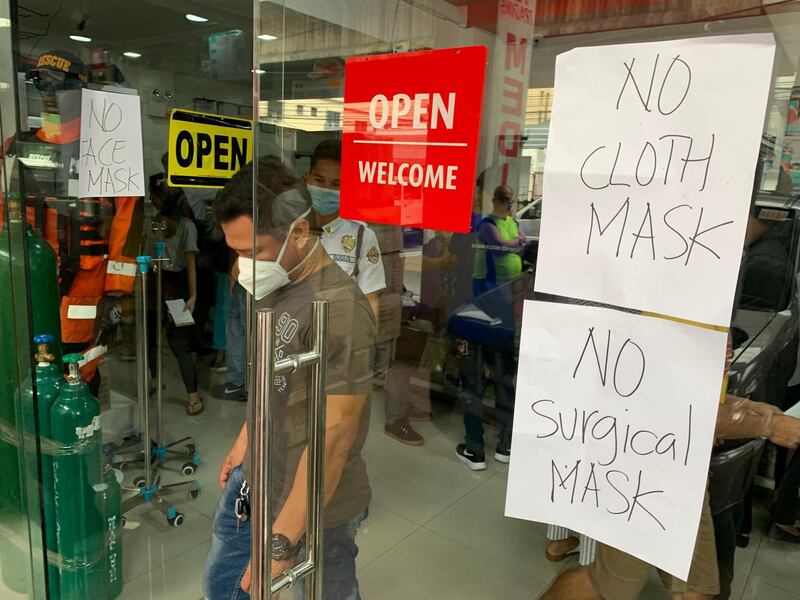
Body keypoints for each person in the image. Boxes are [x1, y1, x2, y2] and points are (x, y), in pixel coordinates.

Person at [203, 155, 376, 600]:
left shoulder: (341, 310)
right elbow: (273, 377)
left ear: (299, 232)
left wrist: (282, 543)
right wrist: (246, 438)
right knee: (222, 586)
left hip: (316, 508)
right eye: (235, 251)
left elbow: (334, 440)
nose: (242, 267)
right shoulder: (275, 281)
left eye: (251, 252)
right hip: (257, 477)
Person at [541, 334, 800, 600]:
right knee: (605, 586)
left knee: (696, 589)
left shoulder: (704, 310)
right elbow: (665, 408)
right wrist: (768, 424)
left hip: (685, 478)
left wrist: (768, 416)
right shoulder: (661, 316)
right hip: (639, 479)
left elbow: (698, 400)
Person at [304, 140, 425, 446]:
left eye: (336, 184)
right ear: (307, 178)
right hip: (295, 345)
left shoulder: (360, 235)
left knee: (339, 434)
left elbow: (370, 300)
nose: (326, 189)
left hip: (339, 352)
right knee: (296, 427)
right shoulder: (290, 228)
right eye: (320, 181)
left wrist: (361, 356)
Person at [148, 174, 203, 415]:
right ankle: (192, 397)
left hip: (164, 284)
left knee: (163, 339)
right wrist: (193, 295)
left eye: (154, 195)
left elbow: (189, 261)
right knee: (170, 341)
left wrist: (193, 295)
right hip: (170, 284)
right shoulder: (181, 225)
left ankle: (163, 384)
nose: (151, 199)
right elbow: (190, 262)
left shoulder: (160, 223)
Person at [471, 184, 526, 296]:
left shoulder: (513, 222)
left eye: (507, 199)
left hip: (510, 284)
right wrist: (517, 242)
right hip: (489, 284)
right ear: (494, 200)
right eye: (502, 199)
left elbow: (523, 243)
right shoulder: (487, 224)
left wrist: (513, 244)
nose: (505, 202)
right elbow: (498, 248)